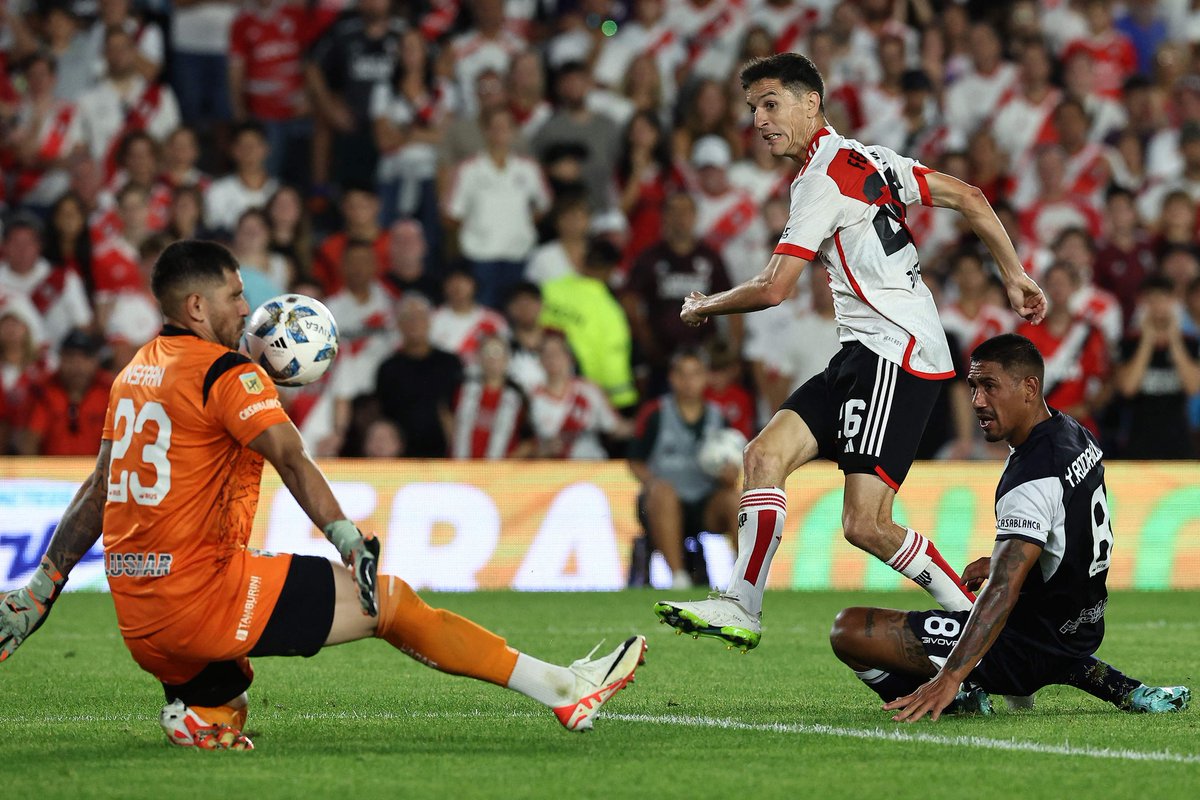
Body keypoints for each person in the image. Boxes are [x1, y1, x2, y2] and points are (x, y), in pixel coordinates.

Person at [0, 240, 646, 750]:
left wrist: (41, 589)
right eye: (233, 295)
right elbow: (290, 455)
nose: (244, 308)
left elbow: (95, 490)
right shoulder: (227, 371)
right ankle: (563, 688)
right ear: (196, 308)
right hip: (202, 600)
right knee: (388, 603)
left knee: (234, 683)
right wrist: (345, 537)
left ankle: (199, 709)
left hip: (141, 622)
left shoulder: (134, 371)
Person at [654, 53, 1046, 652]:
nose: (759, 120)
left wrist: (705, 305)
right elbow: (967, 196)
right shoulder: (869, 158)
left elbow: (774, 288)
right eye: (753, 109)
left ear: (812, 101)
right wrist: (1014, 273)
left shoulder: (820, 181)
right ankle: (741, 605)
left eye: (770, 104)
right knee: (762, 457)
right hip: (864, 351)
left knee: (866, 524)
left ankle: (983, 627)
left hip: (894, 352)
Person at [829, 333, 1190, 720]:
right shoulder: (1073, 433)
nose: (977, 402)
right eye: (972, 386)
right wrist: (1009, 560)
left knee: (848, 630)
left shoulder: (1031, 476)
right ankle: (1115, 685)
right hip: (1083, 623)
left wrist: (950, 676)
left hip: (1025, 644)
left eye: (989, 386)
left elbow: (1002, 591)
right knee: (1012, 600)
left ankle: (957, 698)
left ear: (1029, 388)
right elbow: (1073, 533)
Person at [630, 349, 739, 590]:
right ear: (672, 378)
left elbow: (732, 462)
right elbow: (635, 461)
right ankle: (679, 577)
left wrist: (729, 476)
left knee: (735, 499)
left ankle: (745, 578)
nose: (689, 382)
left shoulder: (718, 417)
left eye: (696, 374)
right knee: (663, 493)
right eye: (683, 375)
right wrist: (652, 483)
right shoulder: (655, 413)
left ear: (705, 378)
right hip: (662, 504)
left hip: (704, 502)